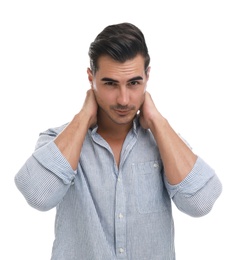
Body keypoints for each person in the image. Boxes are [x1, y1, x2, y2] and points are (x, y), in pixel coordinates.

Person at [15, 22, 222, 260]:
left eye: (134, 83)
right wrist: (83, 117)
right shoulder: (59, 141)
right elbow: (38, 196)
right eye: (110, 84)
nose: (123, 99)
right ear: (91, 78)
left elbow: (201, 203)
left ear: (147, 77)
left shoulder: (163, 142)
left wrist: (157, 120)